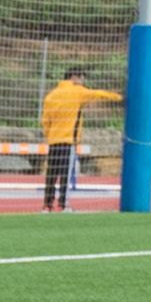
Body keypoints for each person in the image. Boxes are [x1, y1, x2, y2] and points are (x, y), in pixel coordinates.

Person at [37, 70, 112, 212]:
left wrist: (50, 135)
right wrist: (118, 97)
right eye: (81, 78)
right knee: (66, 173)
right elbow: (97, 94)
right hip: (68, 140)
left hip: (54, 140)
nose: (83, 82)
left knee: (51, 173)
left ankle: (47, 205)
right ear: (73, 78)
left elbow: (45, 120)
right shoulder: (77, 92)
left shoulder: (51, 95)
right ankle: (63, 205)